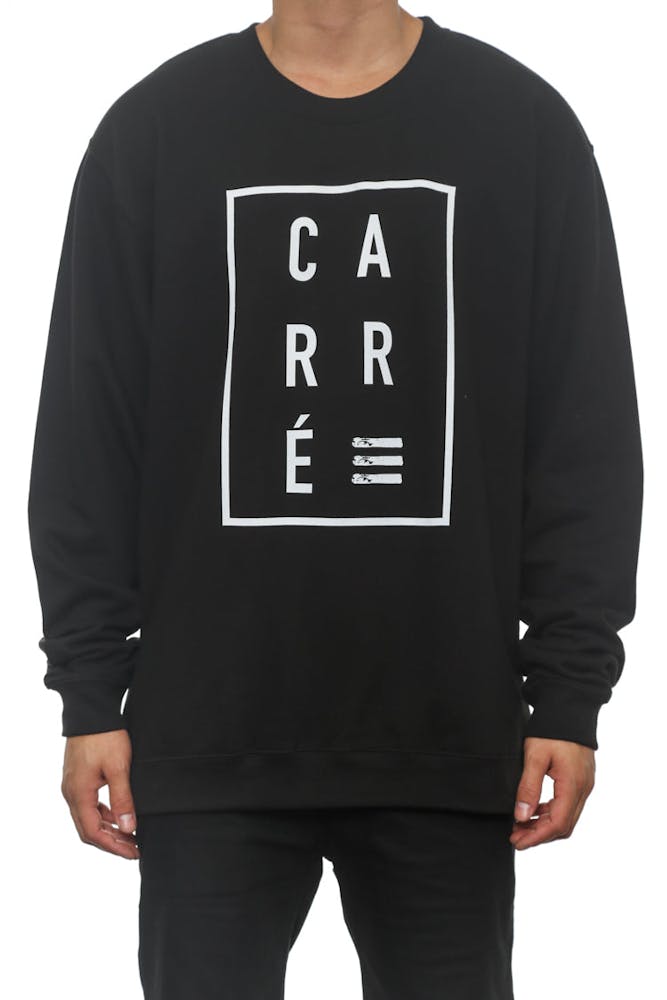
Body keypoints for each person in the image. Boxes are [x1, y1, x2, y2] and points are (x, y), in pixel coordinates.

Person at [27, 3, 643, 998]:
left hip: (445, 731)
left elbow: (583, 431)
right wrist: (88, 691)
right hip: (207, 734)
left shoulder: (518, 125)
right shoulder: (158, 129)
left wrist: (570, 691)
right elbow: (87, 433)